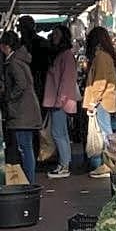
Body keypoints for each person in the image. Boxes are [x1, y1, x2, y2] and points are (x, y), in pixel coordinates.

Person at [0, 31, 42, 184]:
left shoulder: (13, 63)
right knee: (26, 147)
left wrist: (9, 98)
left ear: (6, 46)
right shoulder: (20, 60)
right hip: (27, 110)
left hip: (21, 112)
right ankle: (28, 179)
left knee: (25, 148)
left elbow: (21, 84)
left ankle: (29, 181)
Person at [83, 27, 116, 178]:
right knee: (103, 132)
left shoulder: (101, 57)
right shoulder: (105, 55)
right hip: (105, 100)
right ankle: (105, 164)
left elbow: (100, 81)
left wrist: (93, 101)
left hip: (102, 102)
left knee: (103, 133)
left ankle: (107, 165)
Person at [42, 26, 78, 179]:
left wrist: (60, 100)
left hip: (59, 102)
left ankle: (64, 166)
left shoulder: (66, 55)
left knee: (59, 133)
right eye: (53, 34)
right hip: (56, 100)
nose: (53, 36)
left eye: (57, 34)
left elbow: (67, 80)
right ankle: (64, 164)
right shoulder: (61, 54)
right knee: (60, 133)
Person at [17, 15, 50, 106]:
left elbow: (46, 64)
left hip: (38, 81)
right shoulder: (19, 43)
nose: (20, 29)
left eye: (22, 26)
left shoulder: (42, 43)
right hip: (24, 81)